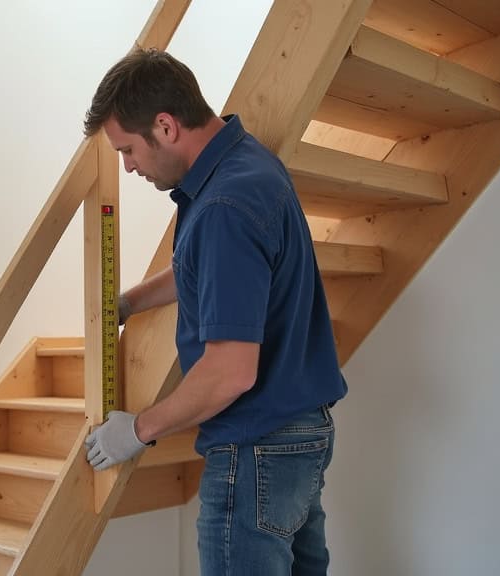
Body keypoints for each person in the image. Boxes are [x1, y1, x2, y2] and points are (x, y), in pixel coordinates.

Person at [82, 48, 347, 575]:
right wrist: (130, 301)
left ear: (165, 126)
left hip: (254, 449)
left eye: (128, 149)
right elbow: (205, 269)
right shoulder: (245, 165)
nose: (128, 166)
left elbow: (229, 372)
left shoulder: (223, 207)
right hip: (299, 435)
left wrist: (137, 430)